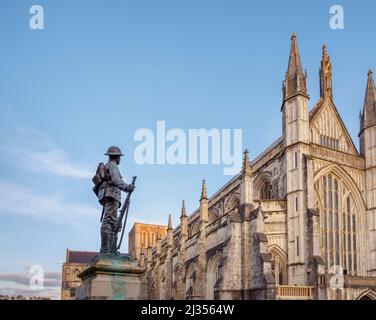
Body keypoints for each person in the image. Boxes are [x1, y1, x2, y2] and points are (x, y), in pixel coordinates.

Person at [97, 146, 135, 253]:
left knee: (114, 223)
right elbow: (116, 180)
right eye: (119, 157)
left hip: (110, 196)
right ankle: (105, 249)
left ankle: (111, 249)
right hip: (111, 195)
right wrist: (127, 187)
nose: (120, 159)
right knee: (109, 221)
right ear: (117, 157)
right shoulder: (113, 165)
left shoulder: (108, 165)